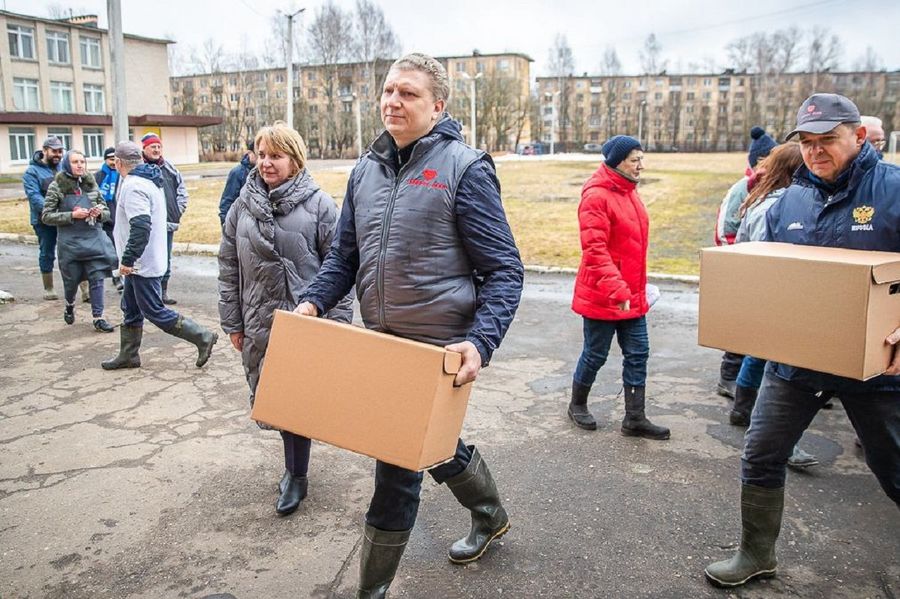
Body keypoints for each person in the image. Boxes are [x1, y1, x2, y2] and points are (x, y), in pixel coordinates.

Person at [294, 53, 524, 598]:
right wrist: (312, 303)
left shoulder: (465, 169)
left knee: (396, 472)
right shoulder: (365, 170)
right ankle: (490, 513)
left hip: (437, 349)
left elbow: (504, 269)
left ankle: (370, 591)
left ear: (437, 106)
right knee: (430, 442)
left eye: (409, 93)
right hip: (385, 344)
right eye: (388, 91)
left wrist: (480, 341)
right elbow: (344, 257)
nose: (393, 101)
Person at [704, 93, 900, 589]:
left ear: (858, 136)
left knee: (893, 469)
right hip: (797, 362)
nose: (815, 151)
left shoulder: (894, 191)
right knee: (761, 452)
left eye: (827, 139)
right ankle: (756, 553)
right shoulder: (792, 199)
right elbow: (773, 277)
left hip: (878, 366)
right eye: (807, 142)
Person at [218, 123, 352, 516]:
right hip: (259, 320)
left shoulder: (320, 206)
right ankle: (294, 469)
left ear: (295, 160)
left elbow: (341, 268)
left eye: (275, 156)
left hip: (306, 323)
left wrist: (336, 325)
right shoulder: (242, 206)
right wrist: (233, 322)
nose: (266, 163)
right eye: (261, 155)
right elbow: (228, 266)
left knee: (297, 400)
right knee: (274, 398)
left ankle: (297, 475)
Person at [567, 135, 670, 441]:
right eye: (634, 160)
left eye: (642, 159)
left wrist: (635, 289)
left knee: (638, 353)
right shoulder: (596, 197)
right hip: (604, 294)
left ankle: (635, 418)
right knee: (595, 354)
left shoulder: (629, 192)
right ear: (617, 162)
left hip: (632, 294)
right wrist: (618, 290)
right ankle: (577, 405)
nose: (641, 166)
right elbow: (594, 250)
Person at [730, 142, 819, 469]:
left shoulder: (762, 199)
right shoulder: (780, 205)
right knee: (779, 369)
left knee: (759, 355)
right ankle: (781, 441)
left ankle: (742, 409)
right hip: (778, 296)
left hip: (763, 294)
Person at [102, 141, 218, 371]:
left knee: (153, 309)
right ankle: (129, 355)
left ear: (119, 162)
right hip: (144, 259)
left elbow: (141, 226)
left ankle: (202, 336)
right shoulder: (148, 180)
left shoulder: (134, 186)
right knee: (130, 307)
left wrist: (128, 259)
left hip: (141, 262)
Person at [714, 126, 776, 399]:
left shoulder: (772, 187)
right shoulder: (742, 189)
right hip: (741, 266)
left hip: (760, 269)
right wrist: (737, 263)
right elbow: (724, 230)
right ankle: (728, 377)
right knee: (741, 323)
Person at [40, 150, 117, 332]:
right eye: (75, 162)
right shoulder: (56, 186)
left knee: (97, 277)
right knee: (71, 281)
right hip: (70, 243)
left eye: (82, 161)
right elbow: (46, 216)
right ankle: (69, 304)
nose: (80, 165)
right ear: (67, 164)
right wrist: (72, 215)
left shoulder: (91, 183)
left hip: (93, 238)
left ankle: (98, 318)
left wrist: (99, 213)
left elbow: (106, 211)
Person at [141, 132, 187, 305]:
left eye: (159, 146)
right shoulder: (139, 169)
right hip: (146, 225)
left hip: (167, 223)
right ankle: (147, 294)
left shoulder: (170, 168)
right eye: (153, 146)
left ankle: (163, 293)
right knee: (146, 258)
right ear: (144, 149)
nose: (156, 150)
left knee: (164, 258)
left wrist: (177, 211)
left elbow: (182, 191)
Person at [23, 135, 64, 300]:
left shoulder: (63, 168)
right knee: (47, 252)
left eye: (60, 151)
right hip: (43, 221)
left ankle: (84, 289)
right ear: (45, 151)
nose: (58, 155)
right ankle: (49, 288)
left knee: (73, 251)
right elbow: (34, 196)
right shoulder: (32, 171)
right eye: (54, 151)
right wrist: (51, 211)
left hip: (65, 218)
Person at [95, 146, 123, 291]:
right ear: (105, 160)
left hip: (120, 218)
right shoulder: (98, 176)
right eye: (111, 159)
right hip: (106, 221)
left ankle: (121, 276)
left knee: (121, 250)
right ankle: (115, 277)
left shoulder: (121, 175)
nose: (113, 162)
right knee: (112, 251)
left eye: (115, 159)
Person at [218, 140, 257, 227]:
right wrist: (226, 226)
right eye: (258, 154)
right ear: (249, 153)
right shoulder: (237, 173)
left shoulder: (265, 172)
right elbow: (227, 202)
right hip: (241, 224)